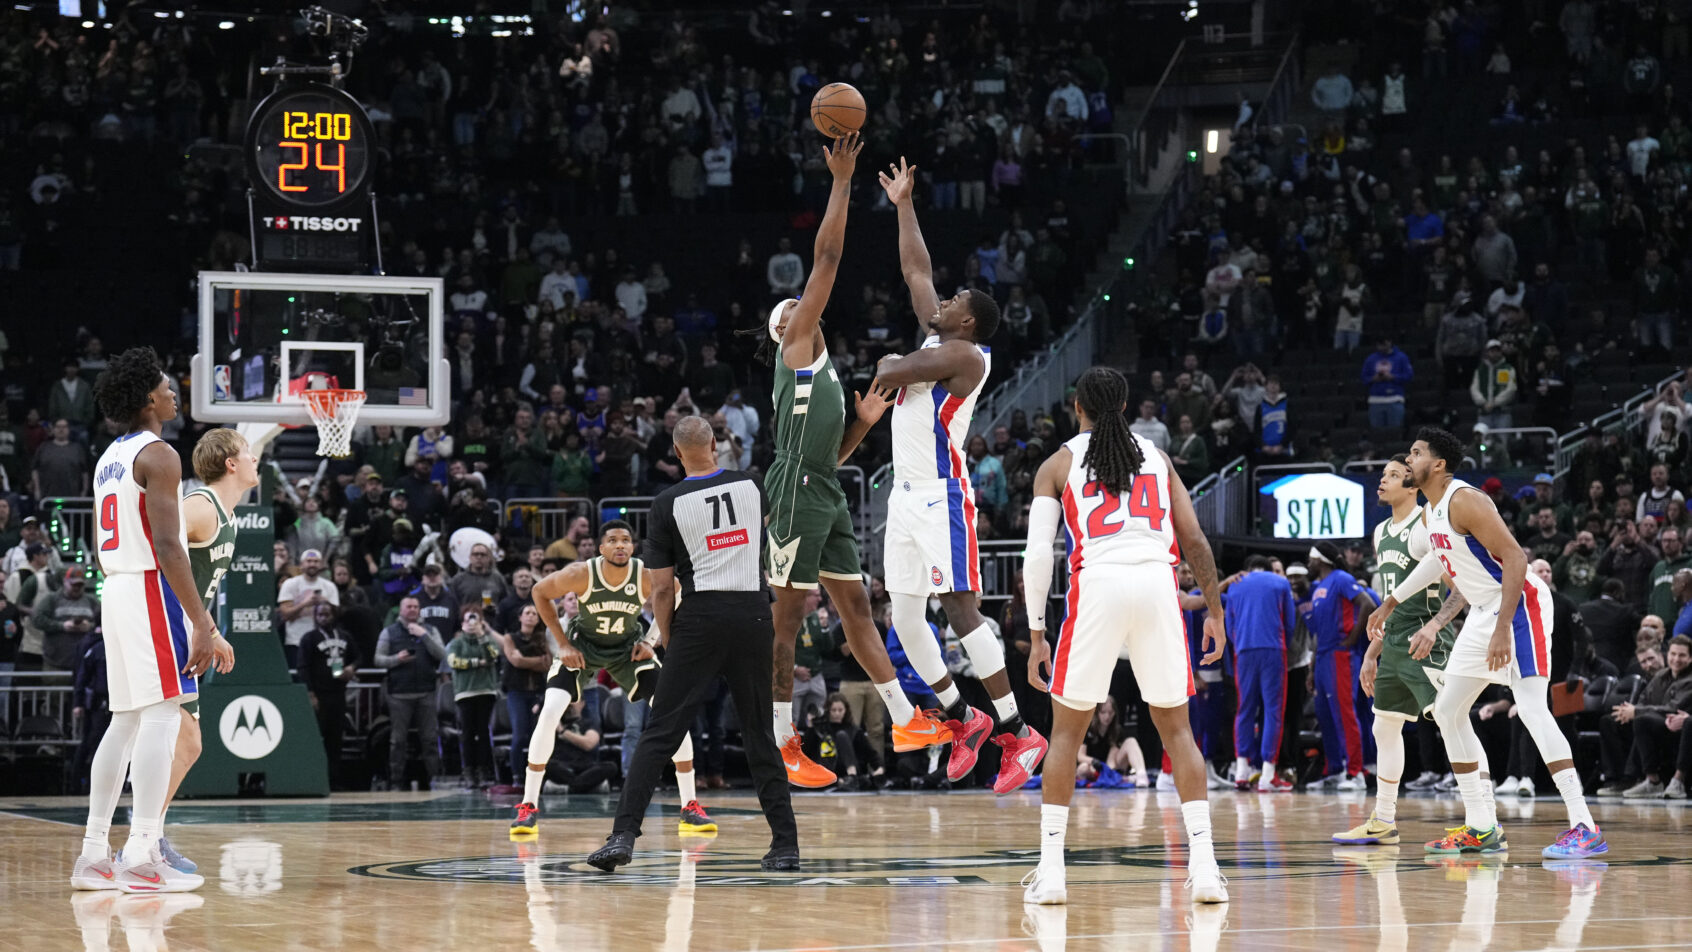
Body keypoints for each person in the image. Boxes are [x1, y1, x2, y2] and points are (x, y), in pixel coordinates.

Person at [758, 133, 949, 789]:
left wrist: (861, 428)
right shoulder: (797, 346)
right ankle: (782, 741)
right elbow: (829, 257)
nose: (801, 309)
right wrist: (841, 180)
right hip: (790, 492)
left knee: (859, 611)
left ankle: (903, 717)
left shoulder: (825, 374)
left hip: (824, 488)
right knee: (786, 620)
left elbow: (824, 452)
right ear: (785, 327)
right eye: (793, 309)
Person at [1019, 366, 1229, 905]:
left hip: (1097, 586)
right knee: (1177, 732)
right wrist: (1213, 610)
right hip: (1158, 584)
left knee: (1066, 733)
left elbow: (1039, 556)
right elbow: (1196, 541)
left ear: (1077, 407)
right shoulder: (1157, 458)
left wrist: (1038, 633)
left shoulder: (1058, 462)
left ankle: (1052, 872)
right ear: (1126, 405)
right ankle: (1204, 869)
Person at [876, 155, 1049, 792]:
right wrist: (903, 204)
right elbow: (916, 268)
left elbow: (890, 373)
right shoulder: (938, 339)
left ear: (968, 320)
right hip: (903, 497)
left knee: (961, 610)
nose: (940, 301)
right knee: (904, 619)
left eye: (952, 301)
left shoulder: (965, 356)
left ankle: (1018, 729)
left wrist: (892, 361)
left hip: (942, 497)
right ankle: (960, 715)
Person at [1369, 426, 1606, 859]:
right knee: (1447, 711)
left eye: (1416, 453)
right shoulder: (1433, 510)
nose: (1409, 459)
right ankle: (1482, 826)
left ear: (1437, 465)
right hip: (1482, 610)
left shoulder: (1465, 500)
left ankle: (1584, 825)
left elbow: (1516, 557)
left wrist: (1503, 627)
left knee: (1532, 708)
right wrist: (1389, 602)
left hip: (1519, 604)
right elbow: (1435, 562)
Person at [587, 417, 797, 873]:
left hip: (699, 618)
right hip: (752, 615)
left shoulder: (666, 503)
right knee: (759, 733)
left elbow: (662, 589)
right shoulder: (752, 484)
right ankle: (785, 846)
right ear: (716, 446)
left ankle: (622, 837)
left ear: (678, 454)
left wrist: (669, 636)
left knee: (659, 732)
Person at [72, 346, 219, 893]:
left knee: (126, 722)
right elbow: (167, 545)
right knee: (160, 719)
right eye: (165, 385)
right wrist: (200, 620)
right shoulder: (160, 455)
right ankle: (140, 854)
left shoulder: (110, 456)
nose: (174, 390)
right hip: (150, 588)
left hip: (117, 588)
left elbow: (97, 540)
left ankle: (93, 854)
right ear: (145, 399)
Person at [508, 520, 710, 838]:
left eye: (626, 540)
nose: (620, 545)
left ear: (632, 546)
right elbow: (539, 592)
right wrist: (562, 643)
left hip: (627, 650)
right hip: (582, 648)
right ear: (601, 548)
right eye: (613, 540)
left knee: (672, 713)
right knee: (549, 714)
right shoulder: (582, 572)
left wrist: (652, 638)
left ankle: (689, 806)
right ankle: (528, 806)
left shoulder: (644, 574)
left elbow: (677, 593)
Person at [1334, 455, 1467, 847]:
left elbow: (1459, 584)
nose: (1382, 480)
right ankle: (1384, 820)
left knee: (1453, 723)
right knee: (1384, 727)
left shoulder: (1426, 524)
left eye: (1393, 475)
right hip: (1393, 642)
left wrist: (1435, 625)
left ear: (1413, 487)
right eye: (1383, 474)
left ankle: (1482, 820)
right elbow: (1390, 603)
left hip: (1427, 638)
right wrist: (1372, 652)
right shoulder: (1379, 533)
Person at [1225, 554, 1297, 791]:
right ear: (1267, 569)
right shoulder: (1280, 582)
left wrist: (1242, 643)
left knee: (1244, 709)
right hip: (1272, 649)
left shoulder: (1236, 584)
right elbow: (1290, 622)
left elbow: (1229, 626)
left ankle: (1242, 770)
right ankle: (1267, 775)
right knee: (1273, 710)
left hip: (1244, 650)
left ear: (1247, 569)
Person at [1306, 541, 1374, 789]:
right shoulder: (1318, 588)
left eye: (1311, 559)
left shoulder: (1341, 578)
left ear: (1321, 559)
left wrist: (1352, 638)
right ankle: (1335, 769)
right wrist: (1312, 668)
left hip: (1340, 655)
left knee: (1344, 713)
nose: (1308, 563)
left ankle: (1355, 772)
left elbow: (1368, 604)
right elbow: (1316, 634)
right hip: (1323, 656)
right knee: (1324, 715)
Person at [375, 595, 447, 790]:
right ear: (401, 609)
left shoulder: (430, 630)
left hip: (427, 692)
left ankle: (434, 779)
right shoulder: (389, 632)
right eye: (409, 607)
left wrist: (423, 635)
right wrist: (396, 659)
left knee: (430, 739)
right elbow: (378, 659)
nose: (413, 610)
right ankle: (396, 781)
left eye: (416, 607)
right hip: (399, 694)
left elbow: (442, 655)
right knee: (398, 741)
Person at [298, 602, 359, 790]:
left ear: (334, 615)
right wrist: (310, 694)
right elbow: (303, 667)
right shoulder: (309, 638)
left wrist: (351, 667)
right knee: (316, 739)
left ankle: (334, 779)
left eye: (327, 614)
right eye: (320, 615)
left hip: (338, 694)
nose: (324, 618)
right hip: (319, 695)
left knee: (335, 739)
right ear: (315, 617)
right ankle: (314, 779)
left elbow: (359, 657)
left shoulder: (345, 636)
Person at [446, 603, 501, 789]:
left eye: (475, 619)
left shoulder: (487, 640)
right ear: (462, 624)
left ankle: (484, 770)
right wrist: (478, 662)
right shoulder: (456, 643)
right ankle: (469, 770)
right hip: (465, 693)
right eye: (468, 619)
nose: (471, 623)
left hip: (486, 691)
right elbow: (453, 661)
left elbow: (493, 657)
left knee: (484, 733)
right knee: (468, 733)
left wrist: (481, 637)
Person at [277, 548, 338, 670]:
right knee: (298, 676)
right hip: (295, 641)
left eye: (316, 561)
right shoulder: (290, 584)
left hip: (324, 642)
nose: (312, 564)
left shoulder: (329, 586)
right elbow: (285, 614)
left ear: (320, 565)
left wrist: (325, 603)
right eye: (309, 561)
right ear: (301, 565)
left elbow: (337, 615)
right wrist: (305, 603)